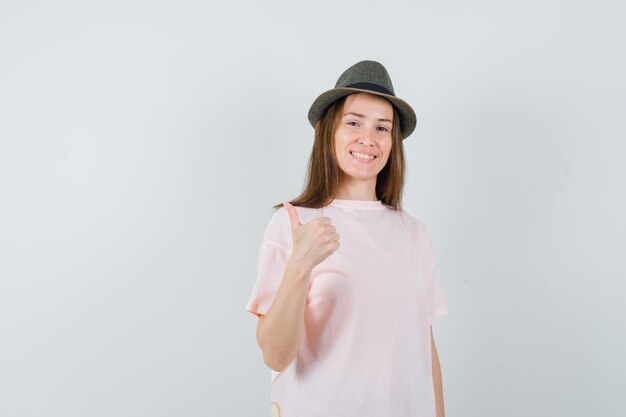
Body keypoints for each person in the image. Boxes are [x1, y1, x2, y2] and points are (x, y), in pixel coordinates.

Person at [244, 60, 449, 417]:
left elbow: (424, 350)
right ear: (328, 132)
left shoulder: (414, 233)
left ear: (392, 142)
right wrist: (300, 265)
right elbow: (275, 355)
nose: (367, 139)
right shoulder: (293, 222)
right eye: (353, 123)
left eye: (382, 128)